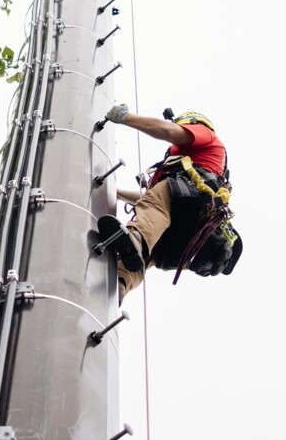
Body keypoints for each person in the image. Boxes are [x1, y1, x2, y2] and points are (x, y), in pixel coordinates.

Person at [97, 104, 242, 298]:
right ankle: (119, 288)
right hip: (183, 238)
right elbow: (151, 199)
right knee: (144, 258)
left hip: (188, 203)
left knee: (153, 211)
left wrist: (126, 118)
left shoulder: (205, 136)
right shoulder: (189, 173)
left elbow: (168, 131)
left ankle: (136, 239)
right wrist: (116, 193)